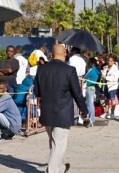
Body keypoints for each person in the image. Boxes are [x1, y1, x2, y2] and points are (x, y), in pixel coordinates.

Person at [34, 44, 89, 173]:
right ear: (64, 53)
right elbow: (77, 93)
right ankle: (52, 171)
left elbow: (37, 92)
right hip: (63, 113)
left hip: (47, 112)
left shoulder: (41, 69)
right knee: (58, 145)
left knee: (54, 143)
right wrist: (84, 110)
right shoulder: (69, 70)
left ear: (51, 55)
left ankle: (61, 167)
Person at [84, 57, 100, 124]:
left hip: (89, 87)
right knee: (90, 103)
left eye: (89, 62)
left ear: (92, 63)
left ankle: (91, 118)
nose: (88, 63)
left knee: (90, 104)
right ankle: (90, 118)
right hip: (92, 88)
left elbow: (85, 78)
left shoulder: (92, 70)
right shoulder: (96, 70)